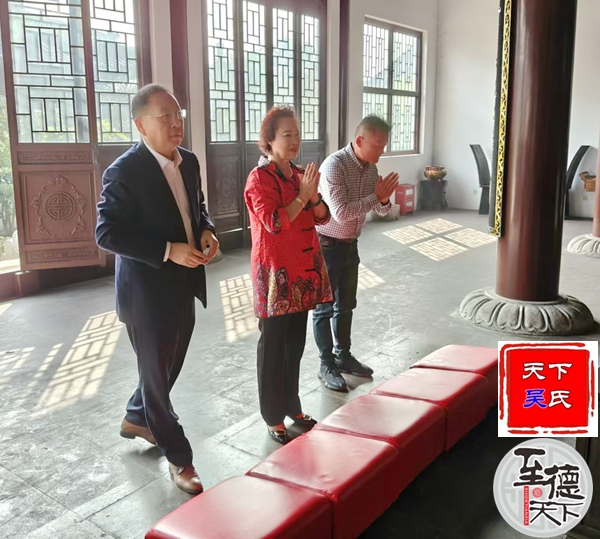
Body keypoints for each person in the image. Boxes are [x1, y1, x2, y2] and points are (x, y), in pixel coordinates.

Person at [96, 84, 219, 494]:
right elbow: (107, 233)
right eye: (164, 116)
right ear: (140, 124)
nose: (175, 122)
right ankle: (180, 457)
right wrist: (168, 250)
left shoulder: (189, 162)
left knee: (166, 368)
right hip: (145, 294)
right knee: (156, 378)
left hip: (185, 281)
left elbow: (197, 208)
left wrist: (207, 231)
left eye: (177, 114)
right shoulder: (124, 172)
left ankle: (137, 416)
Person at [244, 105, 333, 445]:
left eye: (297, 134)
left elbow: (323, 216)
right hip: (275, 277)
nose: (295, 140)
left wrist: (312, 196)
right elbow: (275, 222)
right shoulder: (259, 179)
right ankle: (272, 415)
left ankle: (292, 406)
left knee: (295, 345)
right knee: (273, 347)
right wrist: (302, 197)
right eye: (287, 135)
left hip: (302, 272)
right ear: (269, 139)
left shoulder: (299, 174)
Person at [313, 115, 399, 392]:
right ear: (360, 140)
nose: (381, 151)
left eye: (384, 146)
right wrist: (376, 197)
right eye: (377, 145)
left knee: (346, 305)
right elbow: (340, 212)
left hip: (350, 245)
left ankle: (344, 356)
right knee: (324, 309)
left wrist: (383, 199)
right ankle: (326, 364)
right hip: (326, 245)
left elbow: (382, 211)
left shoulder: (371, 169)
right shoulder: (334, 166)